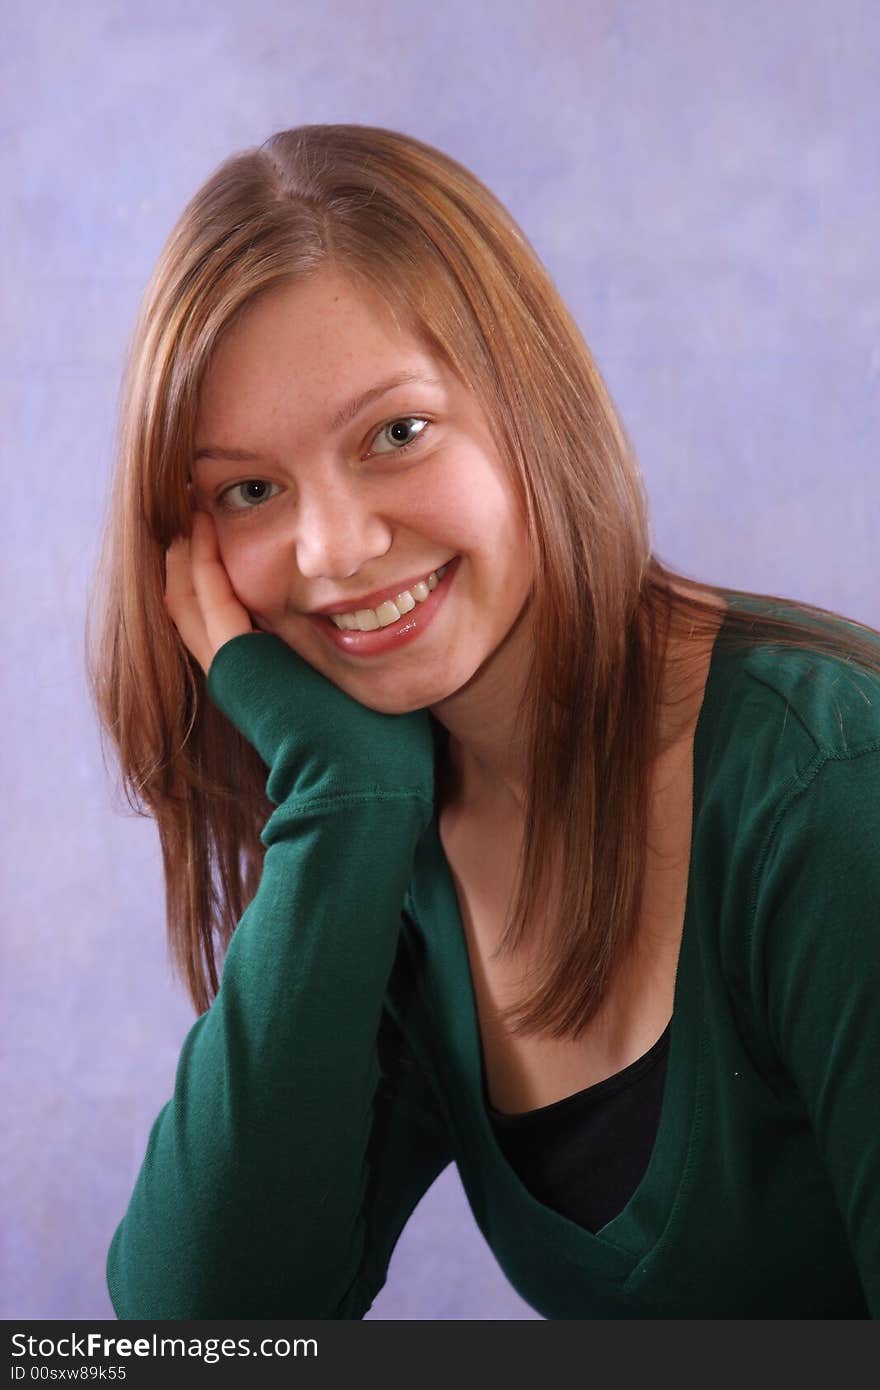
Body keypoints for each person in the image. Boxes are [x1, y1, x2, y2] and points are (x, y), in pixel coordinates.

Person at [87, 123, 880, 1320]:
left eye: (395, 434)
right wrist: (341, 795)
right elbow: (194, 1332)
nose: (335, 549)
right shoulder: (396, 825)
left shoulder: (828, 788)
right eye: (250, 489)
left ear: (529, 407)